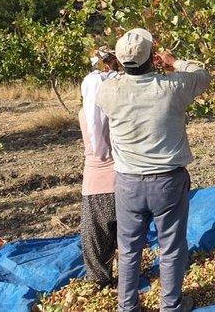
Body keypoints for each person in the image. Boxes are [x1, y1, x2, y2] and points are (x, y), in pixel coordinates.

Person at [96, 28, 211, 312]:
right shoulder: (171, 88)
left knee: (129, 249)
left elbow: (112, 80)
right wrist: (174, 62)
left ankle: (128, 306)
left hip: (128, 183)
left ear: (121, 62)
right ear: (153, 58)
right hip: (167, 182)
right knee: (171, 248)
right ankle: (170, 306)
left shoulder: (108, 90)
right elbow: (202, 74)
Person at [78, 46, 119, 288]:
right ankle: (128, 281)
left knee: (95, 242)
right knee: (127, 239)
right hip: (124, 180)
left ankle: (99, 284)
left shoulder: (85, 113)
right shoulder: (120, 111)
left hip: (95, 184)